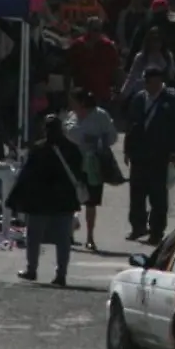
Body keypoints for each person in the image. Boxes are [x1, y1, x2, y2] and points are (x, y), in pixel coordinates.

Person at [6, 115, 87, 287]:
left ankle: (32, 269)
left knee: (34, 236)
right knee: (63, 239)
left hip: (40, 200)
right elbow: (80, 173)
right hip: (64, 200)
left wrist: (15, 199)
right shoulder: (72, 149)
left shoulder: (39, 149)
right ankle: (61, 274)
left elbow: (26, 176)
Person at [122, 66, 175, 243]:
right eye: (149, 82)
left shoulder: (171, 100)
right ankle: (137, 226)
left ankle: (156, 231)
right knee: (137, 193)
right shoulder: (139, 99)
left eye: (155, 81)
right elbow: (131, 125)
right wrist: (128, 149)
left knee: (158, 195)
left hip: (160, 154)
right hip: (139, 153)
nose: (152, 85)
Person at [64, 89, 118, 253]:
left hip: (94, 163)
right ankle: (69, 233)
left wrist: (97, 140)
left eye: (74, 101)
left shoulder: (101, 116)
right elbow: (68, 131)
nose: (72, 105)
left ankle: (90, 237)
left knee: (91, 202)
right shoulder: (72, 116)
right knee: (71, 199)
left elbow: (112, 136)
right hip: (74, 161)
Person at [66, 17, 121, 106]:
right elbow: (68, 70)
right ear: (88, 30)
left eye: (99, 30)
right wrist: (68, 92)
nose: (97, 33)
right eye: (94, 30)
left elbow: (116, 70)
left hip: (102, 94)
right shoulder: (78, 45)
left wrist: (118, 91)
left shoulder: (108, 47)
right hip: (82, 95)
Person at [121, 25, 175, 102]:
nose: (156, 44)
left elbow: (171, 77)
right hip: (144, 95)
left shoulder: (167, 56)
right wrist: (123, 94)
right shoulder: (141, 57)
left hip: (162, 96)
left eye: (158, 41)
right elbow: (132, 78)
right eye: (153, 41)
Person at [126, 0, 175, 70]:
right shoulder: (173, 27)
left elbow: (134, 48)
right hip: (148, 67)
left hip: (167, 66)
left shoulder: (144, 26)